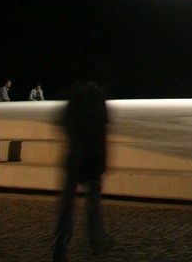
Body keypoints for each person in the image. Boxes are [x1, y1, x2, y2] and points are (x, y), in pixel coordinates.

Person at [52, 78, 112, 259]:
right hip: (91, 159)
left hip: (73, 158)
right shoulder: (97, 99)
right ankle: (96, 243)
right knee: (92, 205)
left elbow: (64, 126)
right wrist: (103, 156)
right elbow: (102, 132)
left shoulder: (74, 99)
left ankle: (60, 246)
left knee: (66, 207)